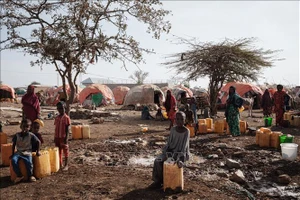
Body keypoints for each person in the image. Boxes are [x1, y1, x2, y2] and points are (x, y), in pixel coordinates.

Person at [150, 111, 190, 188]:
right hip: (170, 151)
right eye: (177, 119)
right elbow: (169, 143)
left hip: (181, 153)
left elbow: (184, 147)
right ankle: (158, 181)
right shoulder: (173, 129)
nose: (179, 121)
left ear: (184, 120)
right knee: (158, 161)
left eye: (181, 119)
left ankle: (169, 181)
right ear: (175, 120)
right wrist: (167, 152)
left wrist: (179, 158)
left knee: (176, 163)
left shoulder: (186, 131)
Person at [10, 119, 41, 183]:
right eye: (23, 126)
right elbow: (13, 144)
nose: (25, 128)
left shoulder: (31, 135)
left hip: (27, 152)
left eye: (27, 127)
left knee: (29, 162)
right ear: (21, 126)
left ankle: (30, 175)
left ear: (29, 128)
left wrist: (38, 151)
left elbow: (38, 142)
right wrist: (12, 153)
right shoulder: (17, 135)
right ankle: (19, 175)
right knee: (13, 160)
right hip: (18, 152)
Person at [54, 101, 71, 170]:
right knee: (58, 151)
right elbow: (56, 127)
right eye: (59, 108)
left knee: (65, 150)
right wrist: (55, 137)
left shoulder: (66, 118)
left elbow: (67, 128)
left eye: (62, 108)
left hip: (63, 137)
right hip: (57, 136)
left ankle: (66, 165)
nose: (60, 110)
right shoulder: (57, 118)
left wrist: (66, 138)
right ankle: (60, 164)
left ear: (65, 108)